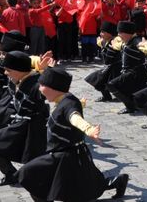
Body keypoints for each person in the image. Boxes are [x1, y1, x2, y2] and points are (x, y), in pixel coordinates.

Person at [17, 67, 129, 201]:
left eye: (42, 85)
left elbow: (75, 118)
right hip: (60, 153)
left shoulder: (68, 104)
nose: (39, 89)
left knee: (30, 174)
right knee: (83, 186)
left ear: (53, 88)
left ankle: (118, 181)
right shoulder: (64, 99)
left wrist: (89, 130)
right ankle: (118, 181)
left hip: (69, 156)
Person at [0, 51, 50, 186]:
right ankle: (11, 174)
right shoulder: (14, 79)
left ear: (20, 70)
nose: (5, 73)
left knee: (38, 163)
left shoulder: (37, 85)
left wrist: (45, 70)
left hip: (34, 128)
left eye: (8, 70)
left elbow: (52, 90)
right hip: (18, 122)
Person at [107, 21, 147, 114]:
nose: (119, 35)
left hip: (137, 74)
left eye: (120, 33)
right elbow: (117, 45)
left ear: (128, 33)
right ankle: (132, 105)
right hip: (128, 73)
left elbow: (142, 45)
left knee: (112, 85)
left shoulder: (136, 41)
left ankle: (130, 106)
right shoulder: (125, 42)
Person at [84, 21, 122, 102]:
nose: (101, 34)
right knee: (95, 78)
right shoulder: (105, 41)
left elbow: (121, 43)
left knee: (109, 83)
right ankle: (106, 96)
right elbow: (102, 46)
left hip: (117, 68)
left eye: (103, 32)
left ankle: (124, 98)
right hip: (109, 67)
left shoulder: (116, 40)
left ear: (110, 33)